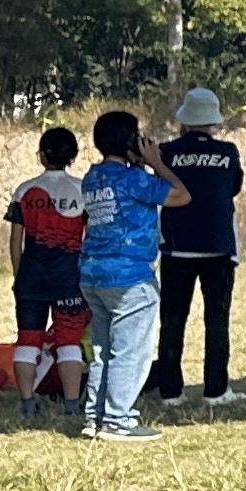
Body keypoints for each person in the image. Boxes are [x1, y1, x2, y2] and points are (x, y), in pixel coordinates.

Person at [76, 109, 187, 443]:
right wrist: (156, 162)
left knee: (102, 349)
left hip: (92, 272)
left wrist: (138, 162)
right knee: (130, 351)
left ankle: (94, 417)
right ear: (129, 142)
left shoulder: (92, 178)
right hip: (129, 274)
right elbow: (181, 195)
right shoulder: (134, 179)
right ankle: (118, 420)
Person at [151, 87, 246, 404]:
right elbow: (233, 188)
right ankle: (216, 389)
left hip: (176, 246)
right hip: (217, 245)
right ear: (213, 121)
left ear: (185, 119)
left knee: (172, 318)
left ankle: (170, 391)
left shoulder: (164, 152)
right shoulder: (228, 152)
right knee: (217, 319)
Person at [3, 126, 89, 422]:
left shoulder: (24, 191)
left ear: (41, 156)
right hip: (70, 279)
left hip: (31, 278)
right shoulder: (83, 190)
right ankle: (72, 405)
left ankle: (27, 404)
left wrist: (19, 276)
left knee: (27, 340)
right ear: (73, 156)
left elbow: (16, 241)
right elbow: (88, 238)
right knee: (68, 342)